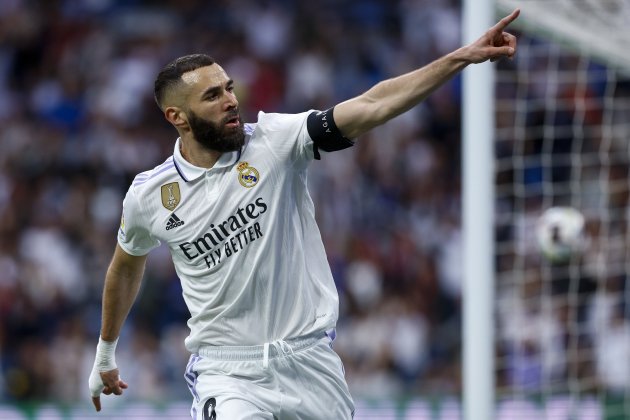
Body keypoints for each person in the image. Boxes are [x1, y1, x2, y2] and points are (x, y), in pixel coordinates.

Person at [88, 9, 519, 419]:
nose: (231, 101)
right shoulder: (149, 196)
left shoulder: (275, 141)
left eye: (229, 88)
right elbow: (125, 266)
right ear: (177, 116)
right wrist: (105, 352)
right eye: (213, 95)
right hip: (227, 371)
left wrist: (461, 57)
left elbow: (372, 104)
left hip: (309, 360)